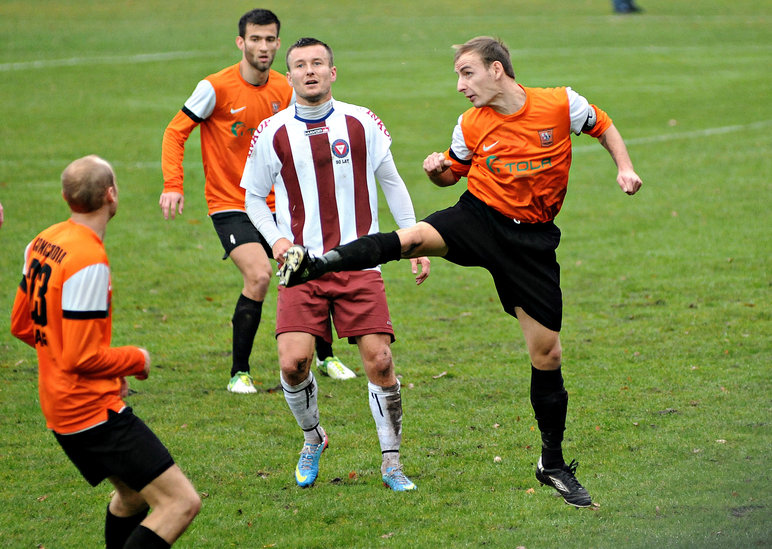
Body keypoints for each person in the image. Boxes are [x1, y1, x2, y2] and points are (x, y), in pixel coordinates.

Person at [277, 36, 643, 507]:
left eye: (466, 73)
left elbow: (604, 125)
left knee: (547, 353)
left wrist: (625, 168)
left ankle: (551, 462)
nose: (459, 85)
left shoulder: (560, 104)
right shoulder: (470, 123)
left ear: (496, 70)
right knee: (409, 241)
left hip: (531, 244)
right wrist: (435, 172)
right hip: (479, 217)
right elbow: (453, 172)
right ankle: (319, 262)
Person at [241, 37, 430, 491]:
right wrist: (279, 239)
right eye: (301, 65)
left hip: (360, 263)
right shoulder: (271, 132)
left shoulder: (362, 122)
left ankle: (391, 462)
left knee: (381, 363)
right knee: (293, 365)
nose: (310, 71)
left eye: (318, 63)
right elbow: (252, 197)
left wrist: (415, 240)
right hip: (301, 269)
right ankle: (313, 438)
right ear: (290, 77)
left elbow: (393, 182)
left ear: (333, 72)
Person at [160, 9, 354, 395]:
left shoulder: (286, 86)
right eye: (255, 39)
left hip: (278, 204)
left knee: (309, 265)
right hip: (230, 203)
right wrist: (173, 183)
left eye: (269, 40)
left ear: (278, 43)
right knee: (261, 275)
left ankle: (325, 355)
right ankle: (239, 372)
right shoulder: (214, 88)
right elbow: (175, 132)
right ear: (241, 42)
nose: (262, 47)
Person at [10, 155, 200, 548]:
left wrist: (101, 371)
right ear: (111, 194)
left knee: (132, 497)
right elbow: (80, 358)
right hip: (89, 411)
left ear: (66, 197)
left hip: (59, 406)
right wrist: (136, 360)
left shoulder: (42, 241)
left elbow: (23, 325)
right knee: (181, 503)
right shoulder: (88, 261)